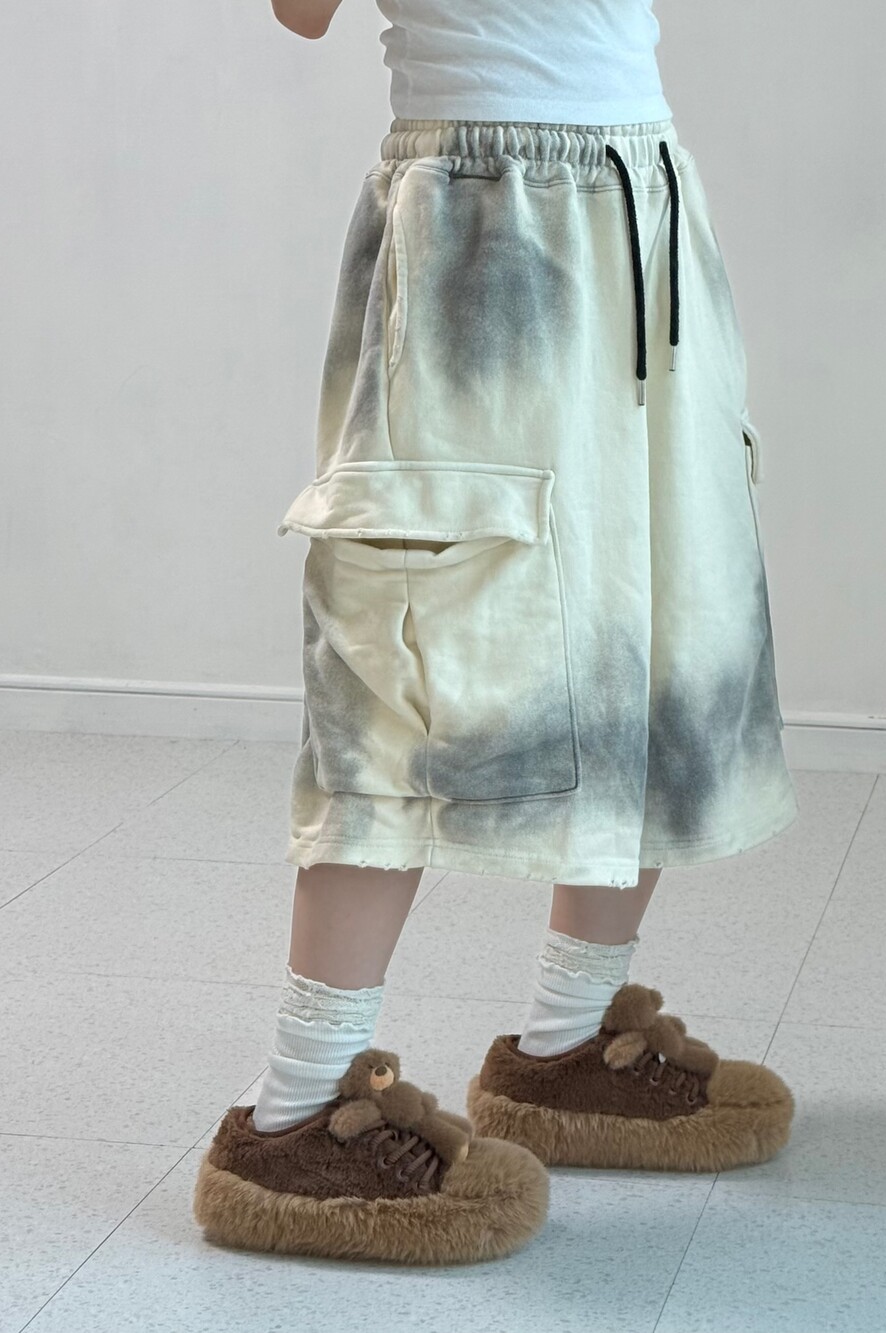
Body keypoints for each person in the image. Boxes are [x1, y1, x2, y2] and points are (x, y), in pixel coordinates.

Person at [193, 0, 800, 1265]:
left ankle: (567, 1046)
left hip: (642, 198)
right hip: (478, 217)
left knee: (650, 635)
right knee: (406, 681)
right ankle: (294, 1106)